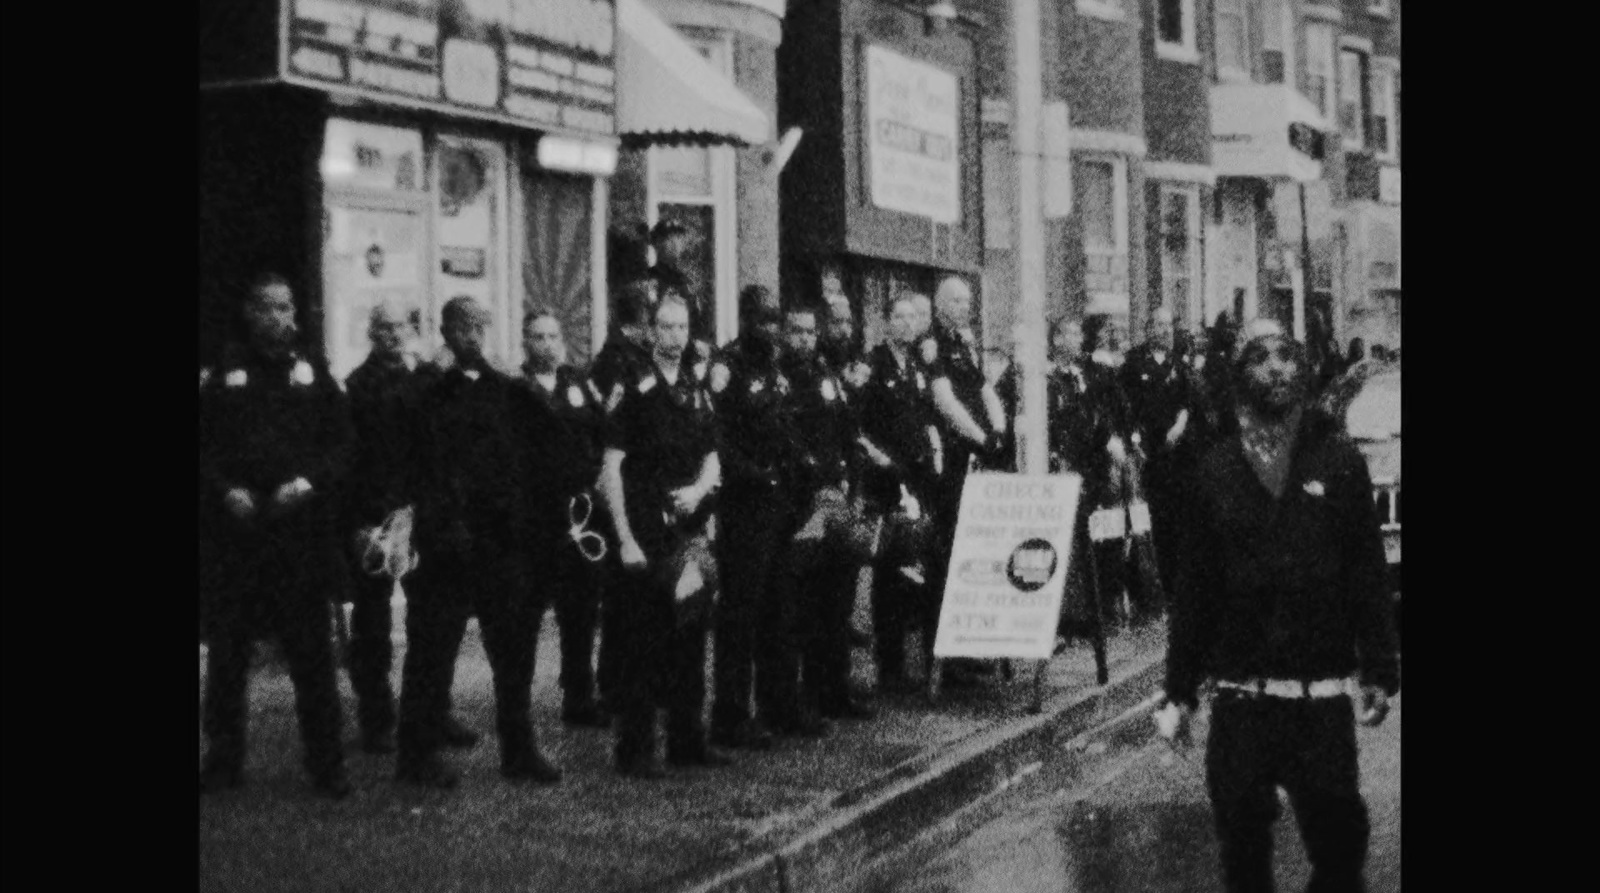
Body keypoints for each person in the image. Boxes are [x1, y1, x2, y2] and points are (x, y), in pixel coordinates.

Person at [1161, 324, 1400, 893]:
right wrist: (1179, 690)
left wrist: (1381, 670)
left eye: (1285, 357)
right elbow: (1196, 587)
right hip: (1242, 697)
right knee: (1243, 856)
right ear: (1239, 377)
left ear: (1302, 373)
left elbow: (1365, 570)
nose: (1274, 368)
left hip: (1319, 699)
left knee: (1339, 851)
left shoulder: (1338, 460)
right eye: (1259, 359)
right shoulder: (1216, 469)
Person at [395, 297, 566, 788]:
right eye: (462, 327)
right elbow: (410, 458)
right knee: (431, 653)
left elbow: (546, 437)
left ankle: (519, 750)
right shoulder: (425, 390)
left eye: (479, 326)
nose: (472, 335)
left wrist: (516, 377)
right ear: (445, 331)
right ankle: (417, 755)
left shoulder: (503, 388)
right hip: (444, 542)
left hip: (498, 543)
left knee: (513, 655)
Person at [199, 273, 355, 798]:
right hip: (238, 540)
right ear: (249, 312)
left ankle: (327, 765)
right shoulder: (223, 374)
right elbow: (203, 448)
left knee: (312, 658)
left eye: (285, 308)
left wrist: (307, 482)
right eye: (267, 307)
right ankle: (222, 761)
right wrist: (225, 491)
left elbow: (342, 444)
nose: (278, 317)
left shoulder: (314, 373)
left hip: (300, 541)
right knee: (228, 658)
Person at [598, 295, 731, 778]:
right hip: (644, 532)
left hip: (687, 533)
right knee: (642, 643)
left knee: (690, 638)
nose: (674, 336)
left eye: (682, 328)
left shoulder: (696, 389)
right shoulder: (632, 386)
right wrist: (624, 538)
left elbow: (712, 455)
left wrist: (699, 491)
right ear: (651, 331)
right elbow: (609, 470)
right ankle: (634, 751)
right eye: (666, 327)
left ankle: (687, 742)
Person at [709, 285, 819, 746]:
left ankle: (781, 706)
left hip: (778, 504)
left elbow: (783, 423)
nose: (769, 329)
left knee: (781, 609)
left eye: (774, 320)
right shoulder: (726, 367)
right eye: (762, 321)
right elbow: (717, 435)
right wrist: (753, 474)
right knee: (741, 613)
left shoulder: (773, 367)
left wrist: (804, 466)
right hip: (743, 504)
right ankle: (731, 715)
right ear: (745, 319)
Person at [775, 302, 878, 723]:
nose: (805, 338)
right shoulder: (781, 380)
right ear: (784, 333)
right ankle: (803, 697)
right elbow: (787, 441)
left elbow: (848, 432)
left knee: (836, 602)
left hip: (838, 502)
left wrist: (852, 487)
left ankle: (834, 691)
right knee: (803, 609)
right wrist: (815, 488)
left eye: (810, 331)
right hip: (802, 508)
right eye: (797, 331)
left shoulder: (825, 374)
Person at [521, 310, 610, 728]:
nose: (548, 343)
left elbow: (600, 433)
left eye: (554, 336)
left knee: (581, 608)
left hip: (580, 513)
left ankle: (579, 695)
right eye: (539, 336)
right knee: (528, 611)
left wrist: (595, 483)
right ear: (526, 342)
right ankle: (516, 702)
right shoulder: (516, 390)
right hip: (536, 516)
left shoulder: (579, 383)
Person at [856, 295, 942, 692]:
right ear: (886, 321)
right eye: (899, 317)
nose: (907, 324)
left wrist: (933, 446)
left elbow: (924, 417)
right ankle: (888, 665)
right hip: (886, 483)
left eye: (913, 317)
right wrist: (882, 462)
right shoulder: (873, 365)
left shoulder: (917, 368)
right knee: (889, 573)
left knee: (914, 567)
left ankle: (908, 660)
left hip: (917, 479)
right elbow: (856, 426)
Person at [1119, 312, 1199, 618]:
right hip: (1147, 453)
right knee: (1149, 521)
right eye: (1157, 325)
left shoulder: (1179, 363)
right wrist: (1135, 439)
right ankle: (1149, 594)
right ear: (1148, 328)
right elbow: (1125, 405)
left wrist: (1181, 423)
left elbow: (1189, 401)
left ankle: (1175, 589)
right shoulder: (1133, 363)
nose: (1163, 330)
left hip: (1176, 454)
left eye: (1167, 326)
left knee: (1176, 519)